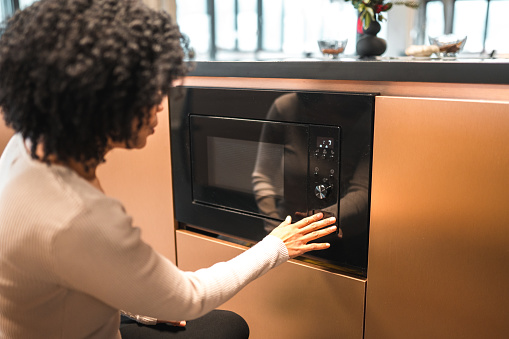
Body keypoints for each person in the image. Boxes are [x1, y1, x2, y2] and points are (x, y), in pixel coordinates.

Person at [0, 1, 337, 338]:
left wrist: (136, 304)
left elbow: (76, 270)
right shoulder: (77, 215)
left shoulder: (26, 148)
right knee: (228, 327)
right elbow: (189, 297)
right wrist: (276, 245)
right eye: (148, 92)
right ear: (102, 101)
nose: (160, 103)